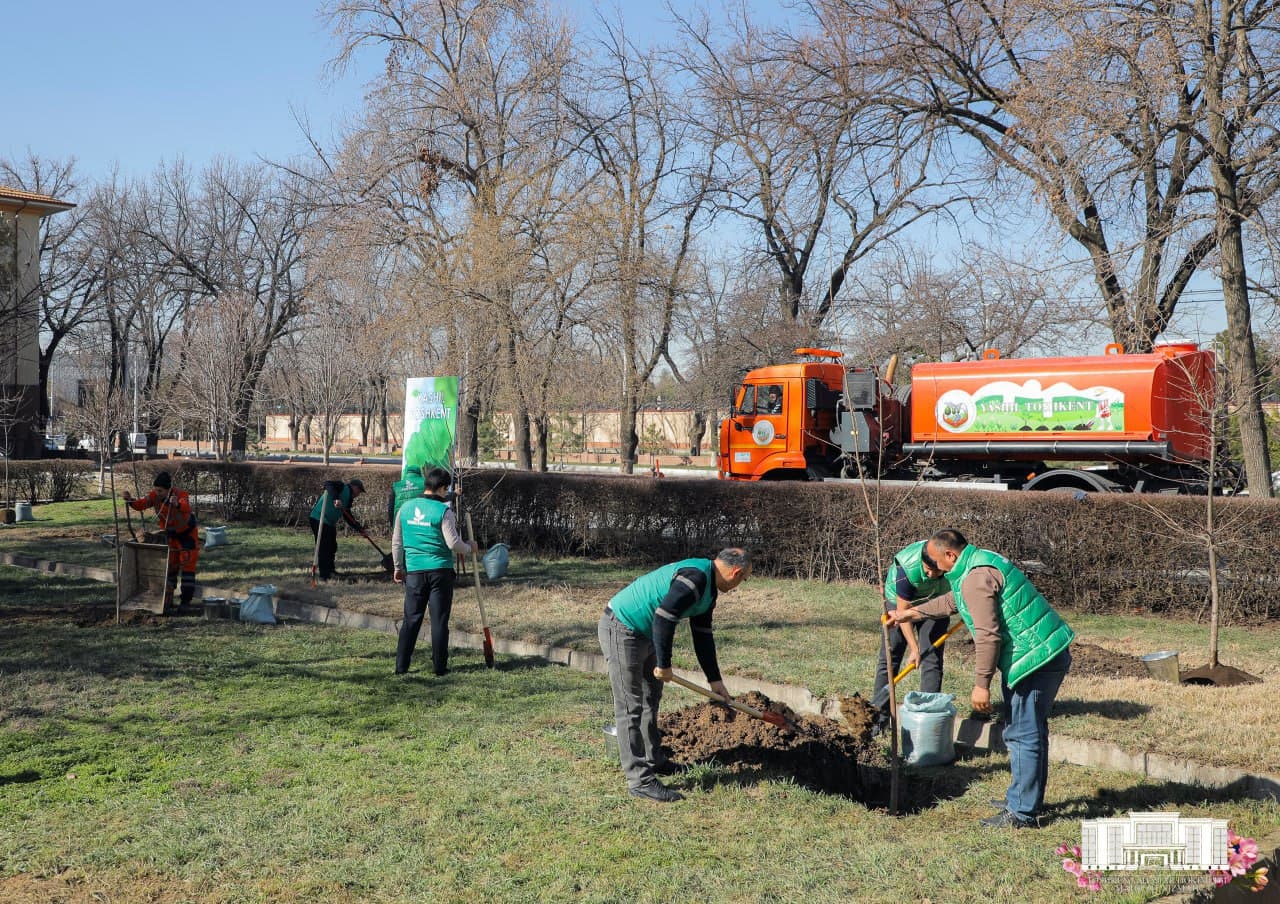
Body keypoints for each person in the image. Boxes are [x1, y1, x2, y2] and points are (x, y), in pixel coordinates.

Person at [887, 528, 1074, 828]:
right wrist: (913, 613)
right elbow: (954, 602)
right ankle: (1022, 799)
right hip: (1039, 650)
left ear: (950, 554)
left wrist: (980, 685)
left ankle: (1022, 812)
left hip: (1035, 659)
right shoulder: (977, 562)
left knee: (1024, 735)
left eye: (935, 563)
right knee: (1022, 731)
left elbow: (988, 637)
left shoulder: (974, 577)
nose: (934, 570)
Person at [597, 548, 752, 803]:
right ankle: (640, 780)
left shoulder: (709, 588)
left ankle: (653, 760)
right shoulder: (695, 578)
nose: (740, 585)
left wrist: (715, 681)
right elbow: (664, 617)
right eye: (743, 579)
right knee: (630, 705)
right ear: (736, 572)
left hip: (645, 632)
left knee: (652, 697)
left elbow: (702, 635)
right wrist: (665, 663)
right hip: (622, 627)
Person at [392, 467, 475, 676]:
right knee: (438, 620)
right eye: (445, 488)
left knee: (411, 619)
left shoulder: (405, 508)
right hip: (440, 572)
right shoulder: (444, 512)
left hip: (415, 573)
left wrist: (397, 567)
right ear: (440, 488)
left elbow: (397, 542)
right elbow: (453, 543)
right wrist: (469, 547)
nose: (445, 492)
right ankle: (439, 667)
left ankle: (401, 667)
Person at [870, 539, 953, 732]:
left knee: (932, 657)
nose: (931, 574)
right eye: (927, 570)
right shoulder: (908, 568)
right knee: (890, 657)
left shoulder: (953, 565)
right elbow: (902, 614)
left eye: (936, 570)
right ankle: (877, 722)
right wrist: (914, 649)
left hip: (936, 604)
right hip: (899, 604)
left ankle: (927, 724)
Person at [123, 471, 199, 612]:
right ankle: (167, 600)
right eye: (156, 490)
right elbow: (141, 504)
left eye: (160, 491)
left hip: (187, 537)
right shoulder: (154, 495)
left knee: (188, 569)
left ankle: (185, 602)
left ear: (168, 489)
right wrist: (130, 501)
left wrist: (176, 504)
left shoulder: (180, 495)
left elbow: (186, 507)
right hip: (170, 536)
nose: (157, 493)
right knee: (170, 568)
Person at [308, 478, 366, 581]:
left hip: (329, 523)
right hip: (319, 518)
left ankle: (330, 570)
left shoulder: (349, 499)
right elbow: (327, 483)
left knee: (332, 546)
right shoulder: (341, 486)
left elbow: (348, 517)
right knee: (324, 547)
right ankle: (324, 575)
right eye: (359, 491)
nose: (358, 494)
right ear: (355, 487)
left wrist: (359, 529)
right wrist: (336, 498)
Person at [387, 464, 425, 530]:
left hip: (400, 523)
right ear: (419, 473)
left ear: (406, 473)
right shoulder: (425, 483)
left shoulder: (397, 486)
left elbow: (391, 508)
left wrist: (392, 524)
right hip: (419, 523)